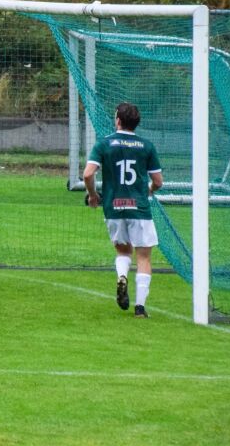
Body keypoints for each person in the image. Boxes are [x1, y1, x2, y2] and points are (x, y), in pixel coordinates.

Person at [84, 102, 164, 318]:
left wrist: (92, 195)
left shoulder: (104, 144)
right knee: (144, 257)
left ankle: (122, 277)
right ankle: (140, 307)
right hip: (139, 209)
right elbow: (158, 181)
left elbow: (88, 174)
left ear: (118, 120)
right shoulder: (147, 146)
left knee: (122, 251)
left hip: (114, 207)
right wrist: (149, 190)